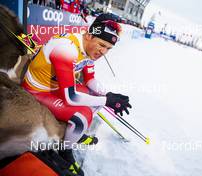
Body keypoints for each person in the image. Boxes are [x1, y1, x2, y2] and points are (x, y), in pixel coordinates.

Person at [22, 13, 132, 175]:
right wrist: (107, 100)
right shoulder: (66, 48)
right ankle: (65, 151)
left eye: (108, 48)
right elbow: (71, 97)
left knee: (95, 101)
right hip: (38, 90)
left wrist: (108, 95)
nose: (103, 52)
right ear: (89, 35)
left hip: (56, 87)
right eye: (102, 45)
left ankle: (72, 134)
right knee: (81, 117)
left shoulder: (89, 48)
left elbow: (90, 81)